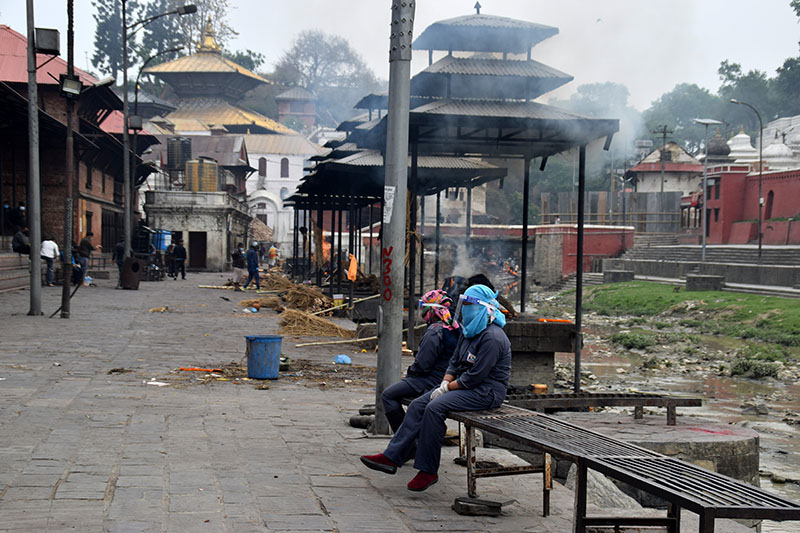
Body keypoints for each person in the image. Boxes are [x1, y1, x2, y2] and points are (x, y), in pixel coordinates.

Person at [360, 284, 511, 492]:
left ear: (483, 307)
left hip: (486, 392)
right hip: (462, 384)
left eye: (469, 305)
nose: (465, 309)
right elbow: (455, 363)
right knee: (418, 405)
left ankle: (428, 470)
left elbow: (475, 377)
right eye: (463, 305)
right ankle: (392, 456)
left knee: (434, 407)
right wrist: (444, 382)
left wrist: (447, 388)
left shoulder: (492, 337)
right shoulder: (469, 331)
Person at [381, 289, 460, 434]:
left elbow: (423, 365)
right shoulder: (454, 325)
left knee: (388, 395)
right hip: (444, 378)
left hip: (430, 380)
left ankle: (405, 441)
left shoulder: (435, 330)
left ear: (431, 309)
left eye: (424, 307)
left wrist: (410, 373)